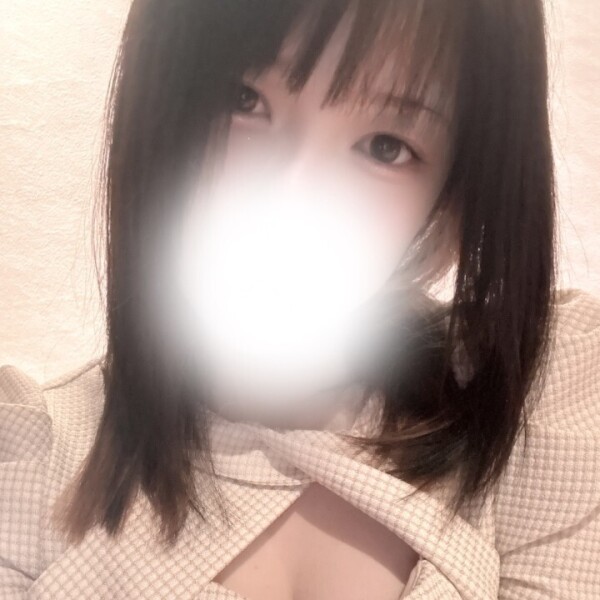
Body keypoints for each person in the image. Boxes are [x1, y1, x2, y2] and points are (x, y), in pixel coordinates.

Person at [1, 0, 599, 598]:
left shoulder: (530, 400)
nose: (291, 195)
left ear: (450, 199)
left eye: (385, 147)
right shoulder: (31, 457)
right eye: (242, 99)